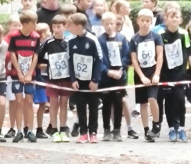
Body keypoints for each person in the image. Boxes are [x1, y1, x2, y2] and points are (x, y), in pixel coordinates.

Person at [67, 11, 102, 143]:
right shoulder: (71, 41)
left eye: (70, 25)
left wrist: (95, 80)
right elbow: (70, 61)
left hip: (91, 80)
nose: (68, 28)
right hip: (79, 81)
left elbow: (99, 60)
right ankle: (83, 132)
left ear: (79, 26)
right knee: (80, 107)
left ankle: (93, 132)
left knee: (93, 107)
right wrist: (73, 79)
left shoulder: (92, 40)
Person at [159, 2, 190, 143]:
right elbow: (159, 55)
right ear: (166, 19)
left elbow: (187, 53)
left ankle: (181, 128)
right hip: (166, 74)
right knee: (169, 101)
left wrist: (183, 72)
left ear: (180, 19)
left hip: (180, 74)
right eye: (171, 17)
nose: (174, 19)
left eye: (177, 17)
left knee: (180, 100)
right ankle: (171, 128)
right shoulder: (160, 35)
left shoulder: (184, 34)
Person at [130, 8, 163, 140]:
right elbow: (134, 60)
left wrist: (157, 74)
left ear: (151, 22)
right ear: (138, 21)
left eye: (147, 21)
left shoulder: (156, 37)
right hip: (140, 74)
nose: (145, 23)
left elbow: (160, 56)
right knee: (143, 103)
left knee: (152, 98)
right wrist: (142, 76)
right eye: (142, 20)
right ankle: (146, 129)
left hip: (152, 71)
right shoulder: (134, 39)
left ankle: (156, 124)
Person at [8, 12, 40, 143]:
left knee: (29, 101)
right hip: (17, 75)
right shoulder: (14, 36)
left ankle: (30, 130)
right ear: (26, 24)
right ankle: (19, 130)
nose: (35, 25)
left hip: (30, 76)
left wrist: (30, 73)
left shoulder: (36, 37)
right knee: (19, 101)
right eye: (33, 23)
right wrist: (19, 73)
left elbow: (36, 55)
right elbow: (12, 54)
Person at [38, 14, 71, 141]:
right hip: (52, 79)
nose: (56, 29)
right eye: (54, 26)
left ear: (65, 27)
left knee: (64, 103)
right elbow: (39, 57)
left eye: (59, 27)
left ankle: (63, 129)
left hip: (66, 78)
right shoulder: (48, 42)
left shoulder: (69, 42)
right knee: (53, 104)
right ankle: (54, 130)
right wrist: (47, 65)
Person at [97, 11, 129, 141]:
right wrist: (107, 71)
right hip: (106, 78)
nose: (109, 26)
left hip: (119, 77)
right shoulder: (99, 40)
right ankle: (106, 129)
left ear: (115, 24)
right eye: (106, 24)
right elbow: (99, 59)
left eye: (111, 23)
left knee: (118, 103)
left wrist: (121, 70)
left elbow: (126, 56)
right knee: (106, 104)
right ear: (103, 24)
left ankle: (117, 130)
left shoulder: (122, 38)